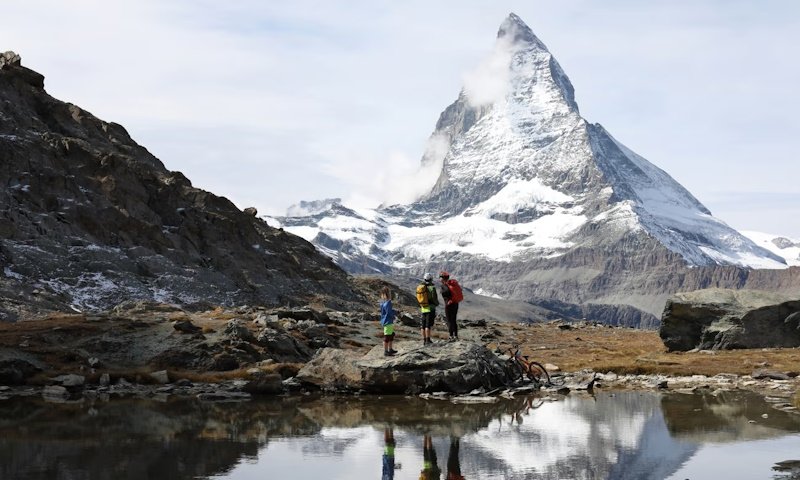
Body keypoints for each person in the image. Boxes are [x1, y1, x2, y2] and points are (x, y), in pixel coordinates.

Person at [416, 273, 439, 346]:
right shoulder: (432, 287)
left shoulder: (421, 286)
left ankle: (424, 340)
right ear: (431, 279)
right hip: (430, 308)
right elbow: (434, 298)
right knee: (428, 325)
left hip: (423, 308)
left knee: (423, 325)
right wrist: (436, 304)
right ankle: (428, 340)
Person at [439, 271, 461, 341]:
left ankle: (451, 335)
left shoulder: (444, 286)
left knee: (449, 320)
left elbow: (445, 294)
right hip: (455, 303)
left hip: (449, 305)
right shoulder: (452, 284)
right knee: (454, 320)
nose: (440, 279)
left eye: (441, 278)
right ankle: (456, 335)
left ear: (443, 278)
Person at [380, 286, 398, 356]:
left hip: (385, 320)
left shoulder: (382, 302)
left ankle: (390, 349)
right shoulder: (388, 302)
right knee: (387, 336)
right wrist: (394, 315)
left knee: (391, 335)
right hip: (388, 321)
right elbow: (389, 312)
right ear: (388, 293)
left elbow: (385, 311)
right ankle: (386, 351)